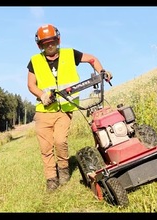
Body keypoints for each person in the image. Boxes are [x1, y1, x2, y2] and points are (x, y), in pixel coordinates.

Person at [26, 24, 112, 192]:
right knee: (45, 147)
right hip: (44, 111)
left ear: (58, 41)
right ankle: (51, 178)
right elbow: (31, 85)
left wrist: (102, 71)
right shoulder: (34, 61)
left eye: (52, 42)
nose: (49, 45)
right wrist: (42, 94)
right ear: (40, 45)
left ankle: (64, 169)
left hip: (65, 109)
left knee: (60, 140)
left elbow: (92, 59)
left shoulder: (70, 54)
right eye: (45, 43)